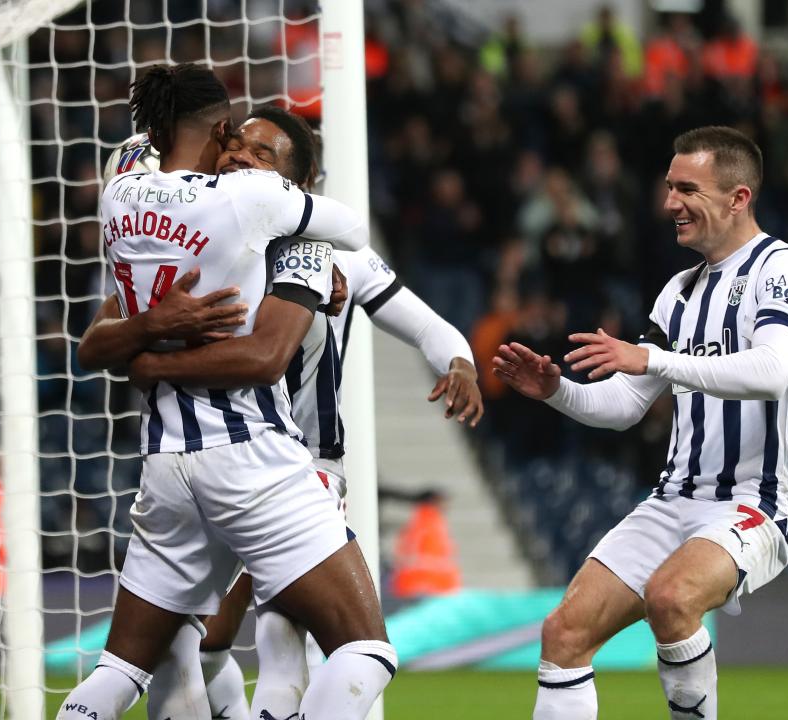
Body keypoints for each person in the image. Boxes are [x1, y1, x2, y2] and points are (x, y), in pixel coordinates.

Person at [83, 106, 483, 719]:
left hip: (302, 461)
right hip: (220, 457)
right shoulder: (204, 235)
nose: (242, 156)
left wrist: (460, 362)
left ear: (294, 183)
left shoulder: (323, 251)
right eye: (237, 146)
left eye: (262, 154)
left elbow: (430, 326)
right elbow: (101, 334)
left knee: (276, 631)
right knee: (197, 645)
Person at [57, 64, 395, 720]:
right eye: (235, 136)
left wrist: (149, 351)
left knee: (122, 667)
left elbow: (99, 344)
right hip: (251, 460)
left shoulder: (120, 189)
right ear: (219, 130)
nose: (240, 150)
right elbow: (276, 343)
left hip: (164, 466)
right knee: (365, 651)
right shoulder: (256, 207)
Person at [493, 125, 788, 720]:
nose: (670, 203)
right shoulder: (678, 291)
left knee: (671, 597)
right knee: (564, 634)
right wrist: (555, 391)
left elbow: (773, 371)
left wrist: (654, 357)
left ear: (738, 198)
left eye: (687, 189)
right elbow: (623, 405)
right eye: (669, 187)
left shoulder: (787, 272)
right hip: (673, 498)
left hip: (756, 501)